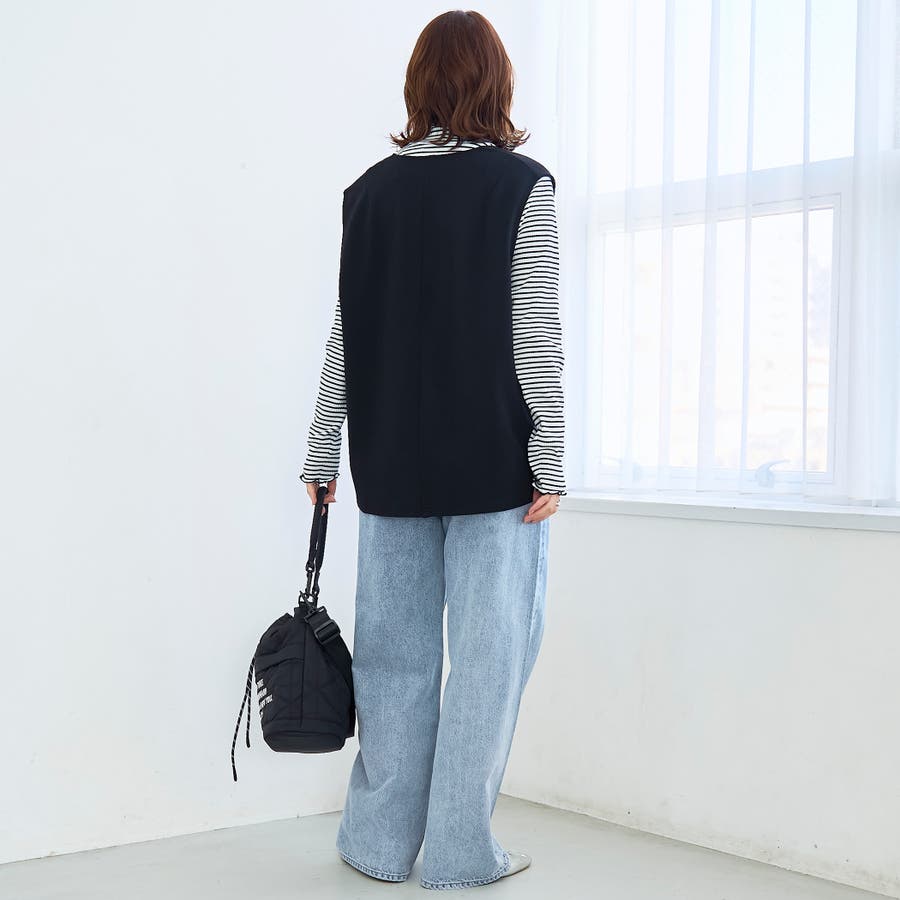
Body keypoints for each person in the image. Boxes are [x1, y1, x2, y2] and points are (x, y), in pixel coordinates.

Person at [298, 9, 566, 891]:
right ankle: (458, 853)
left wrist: (322, 449)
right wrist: (552, 456)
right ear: (497, 82)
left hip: (392, 464)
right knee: (490, 660)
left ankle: (376, 846)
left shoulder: (367, 193)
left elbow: (346, 335)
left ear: (418, 86)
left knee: (393, 660)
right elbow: (535, 335)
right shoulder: (522, 186)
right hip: (495, 467)